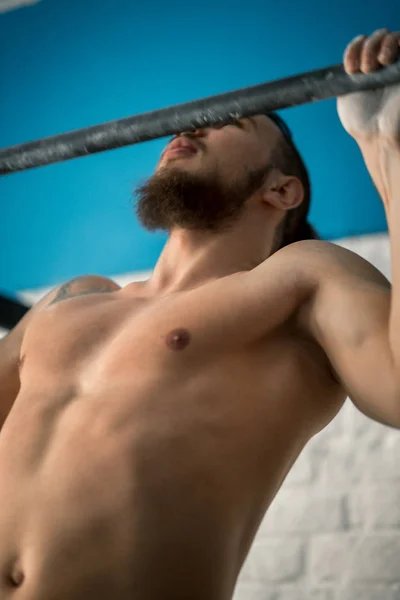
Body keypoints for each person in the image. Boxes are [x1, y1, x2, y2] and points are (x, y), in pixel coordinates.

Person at [0, 28, 399, 600]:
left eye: (231, 122)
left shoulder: (299, 280)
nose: (189, 128)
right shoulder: (74, 299)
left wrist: (387, 145)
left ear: (282, 191)